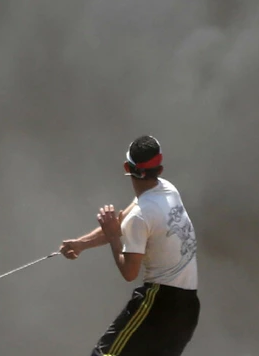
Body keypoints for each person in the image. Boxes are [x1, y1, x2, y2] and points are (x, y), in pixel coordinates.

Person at [59, 135, 200, 356]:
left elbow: (129, 271)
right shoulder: (167, 190)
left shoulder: (141, 215)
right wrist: (81, 244)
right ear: (159, 169)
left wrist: (115, 238)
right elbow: (120, 223)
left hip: (159, 303)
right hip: (189, 309)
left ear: (127, 167)